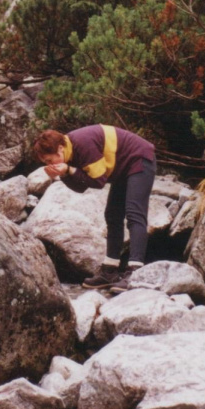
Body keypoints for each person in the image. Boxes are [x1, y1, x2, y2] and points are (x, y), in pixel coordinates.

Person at [33, 124, 156, 292]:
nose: (48, 164)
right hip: (121, 169)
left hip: (139, 159)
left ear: (60, 148)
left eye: (49, 160)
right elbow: (81, 187)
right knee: (112, 216)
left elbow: (99, 181)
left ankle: (135, 272)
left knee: (134, 214)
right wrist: (63, 173)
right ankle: (110, 271)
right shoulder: (69, 151)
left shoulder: (84, 144)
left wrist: (68, 170)